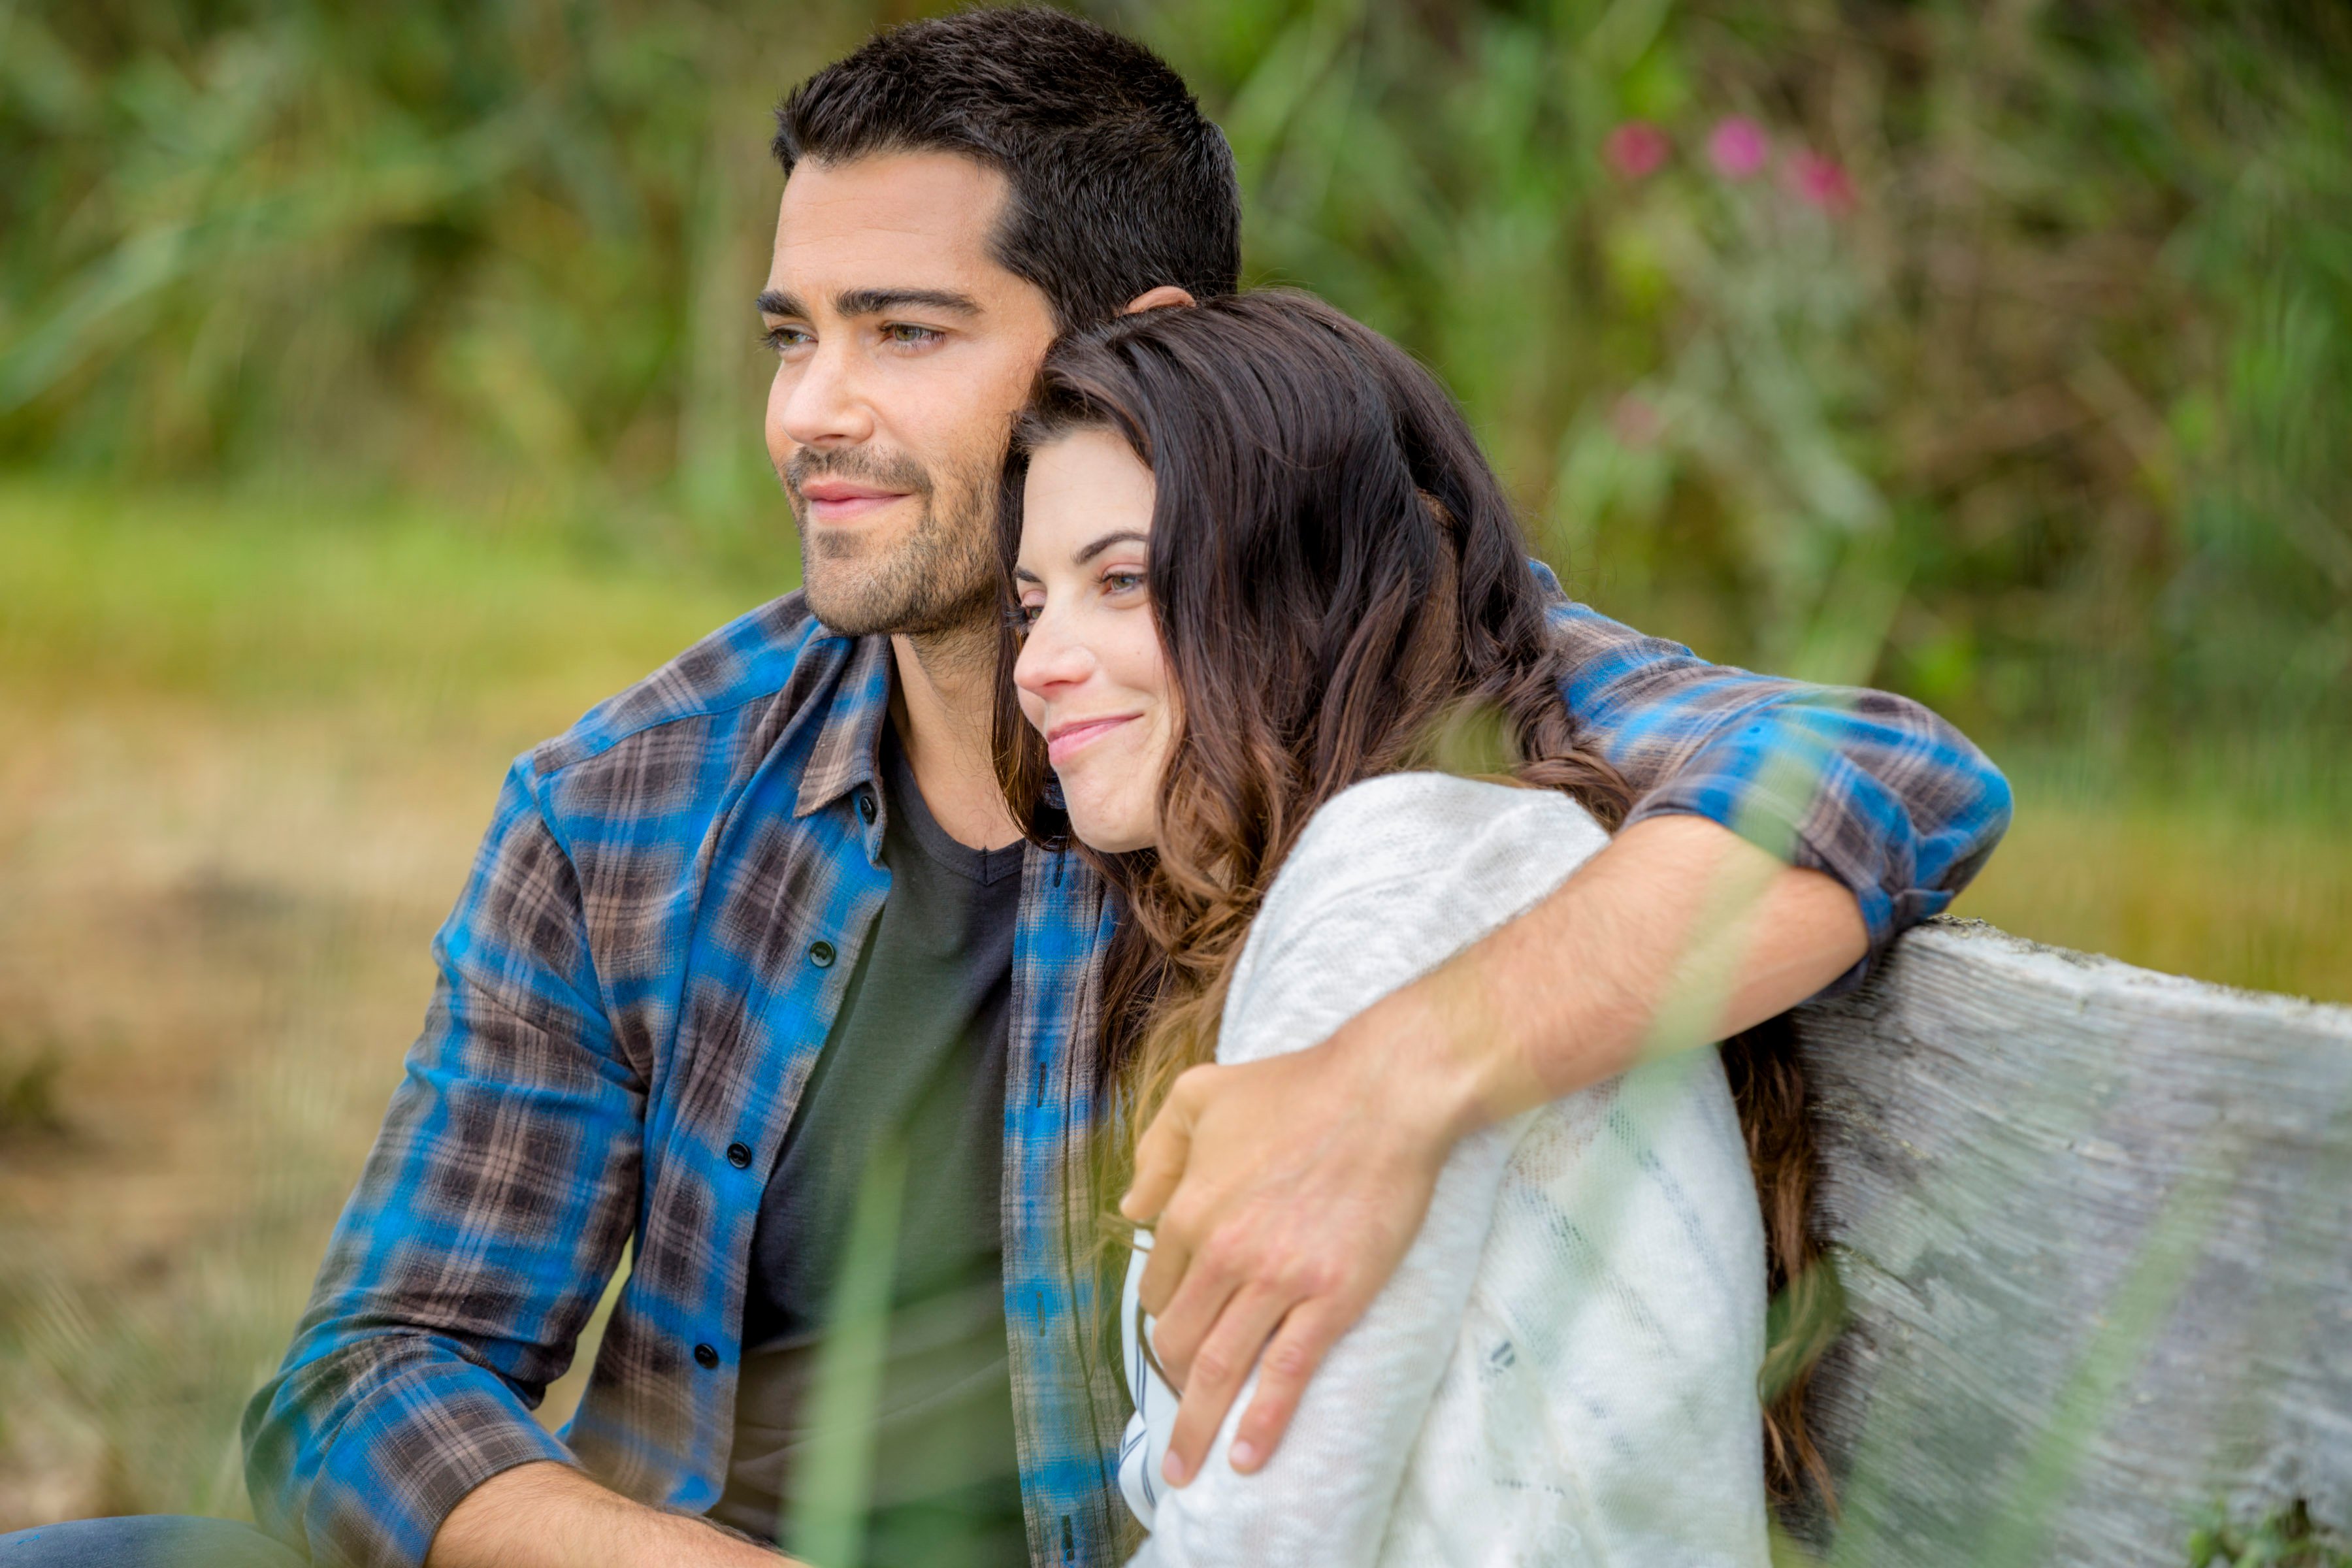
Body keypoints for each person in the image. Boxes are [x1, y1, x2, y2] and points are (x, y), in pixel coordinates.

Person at [0, 9, 2007, 1567]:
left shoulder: (1338, 685)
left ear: (1125, 361)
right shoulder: (632, 804)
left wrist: (1385, 1088)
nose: (813, 413)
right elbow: (370, 1378)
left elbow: (1872, 774)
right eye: (793, 335)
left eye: (906, 331)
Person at [1002, 291, 1778, 1564]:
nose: (1036, 663)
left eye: (1123, 581)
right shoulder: (1379, 880)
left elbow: (1262, 1525)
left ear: (1308, 586)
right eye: (1034, 601)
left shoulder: (1400, 878)